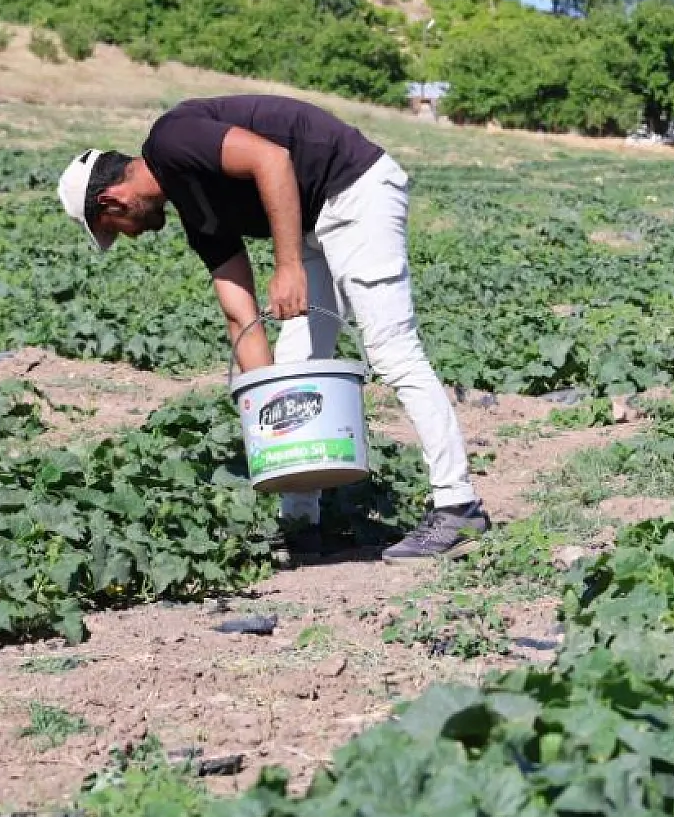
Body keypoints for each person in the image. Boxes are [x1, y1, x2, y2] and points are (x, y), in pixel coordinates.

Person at [55, 94, 490, 563]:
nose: (130, 235)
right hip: (314, 225)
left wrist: (287, 267)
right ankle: (302, 524)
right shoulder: (198, 213)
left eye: (114, 228)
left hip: (355, 191)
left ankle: (457, 506)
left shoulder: (171, 139)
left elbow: (272, 159)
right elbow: (239, 312)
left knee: (393, 352)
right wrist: (263, 398)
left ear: (112, 199)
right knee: (293, 369)